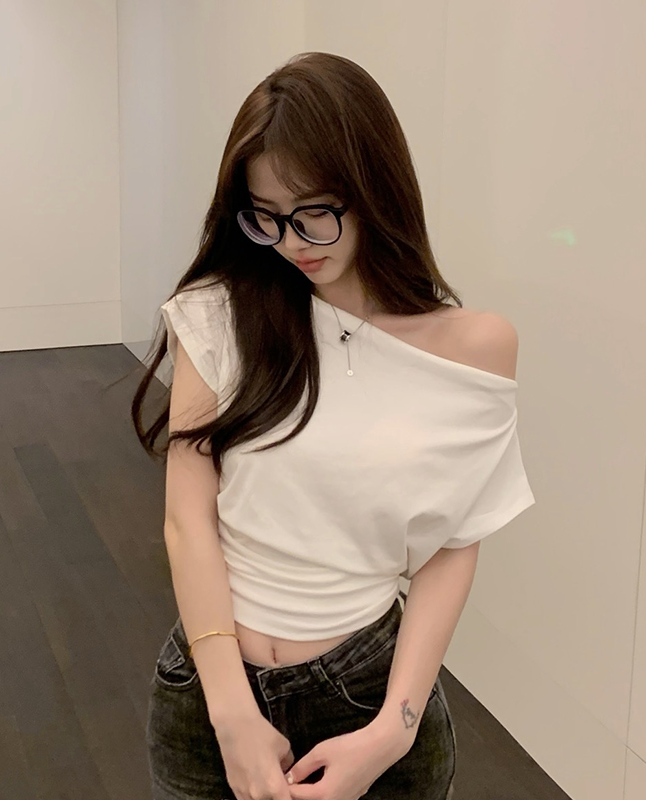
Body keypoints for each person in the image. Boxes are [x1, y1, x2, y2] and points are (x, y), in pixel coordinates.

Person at [132, 51, 535, 800]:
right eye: (266, 216)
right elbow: (187, 522)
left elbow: (452, 546)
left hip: (369, 695)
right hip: (209, 693)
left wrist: (396, 729)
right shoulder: (219, 313)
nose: (292, 241)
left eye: (315, 211)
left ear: (374, 185)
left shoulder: (473, 348)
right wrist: (231, 714)